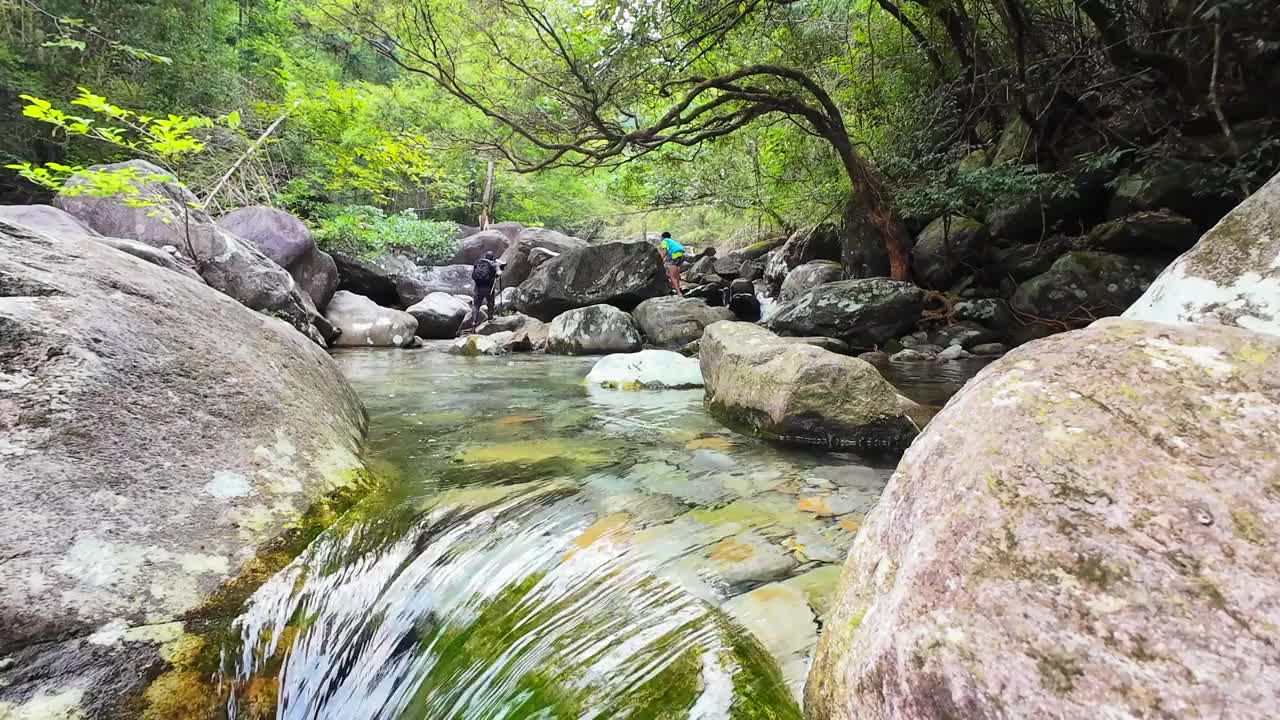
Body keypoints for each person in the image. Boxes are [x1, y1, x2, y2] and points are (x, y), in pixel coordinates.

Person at [467, 250, 501, 330]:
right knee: (490, 303)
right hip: (488, 288)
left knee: (476, 305)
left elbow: (474, 274)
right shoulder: (493, 264)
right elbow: (499, 272)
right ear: (493, 257)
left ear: (485, 256)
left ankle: (474, 321)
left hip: (478, 288)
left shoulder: (478, 262)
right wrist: (497, 273)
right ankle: (490, 318)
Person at [658, 231, 685, 297]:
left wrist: (659, 260)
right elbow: (667, 256)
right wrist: (662, 262)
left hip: (675, 256)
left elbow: (665, 252)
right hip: (681, 256)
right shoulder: (672, 242)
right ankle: (679, 288)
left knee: (672, 276)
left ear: (662, 237)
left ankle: (679, 293)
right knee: (676, 275)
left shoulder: (664, 241)